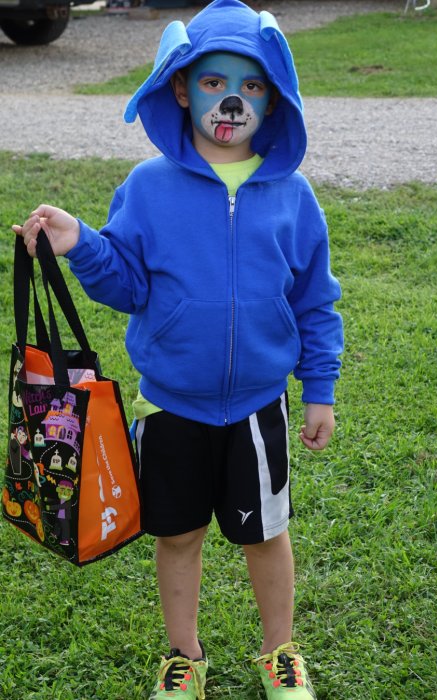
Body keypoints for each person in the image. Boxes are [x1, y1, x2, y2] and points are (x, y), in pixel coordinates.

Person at [13, 1, 343, 697]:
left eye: (251, 86)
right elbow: (130, 285)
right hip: (170, 408)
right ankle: (183, 656)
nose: (231, 99)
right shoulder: (149, 188)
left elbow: (315, 301)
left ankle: (279, 651)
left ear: (274, 98)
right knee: (177, 536)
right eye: (214, 81)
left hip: (258, 407)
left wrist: (319, 390)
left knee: (265, 536)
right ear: (182, 89)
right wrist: (83, 244)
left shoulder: (293, 196)